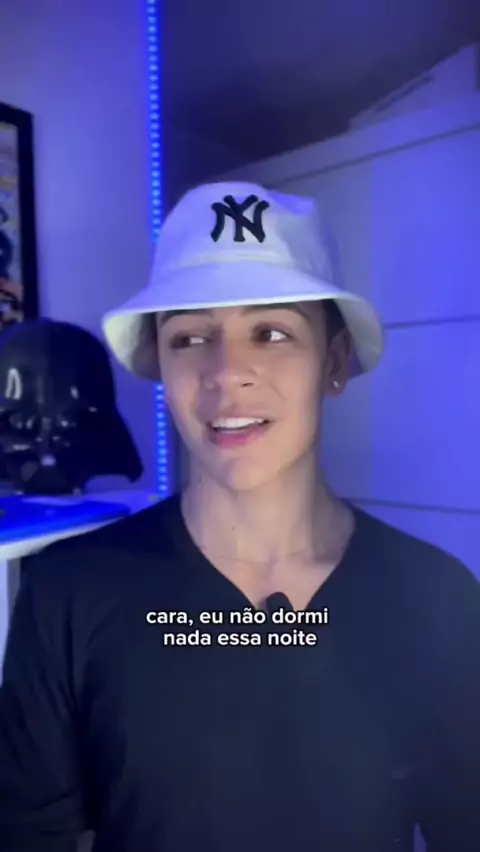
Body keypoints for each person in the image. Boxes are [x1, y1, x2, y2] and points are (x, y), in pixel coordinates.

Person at [0, 182, 479, 852]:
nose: (227, 372)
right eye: (191, 338)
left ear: (333, 362)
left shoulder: (436, 596)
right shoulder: (67, 594)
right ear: (161, 367)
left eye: (271, 333)